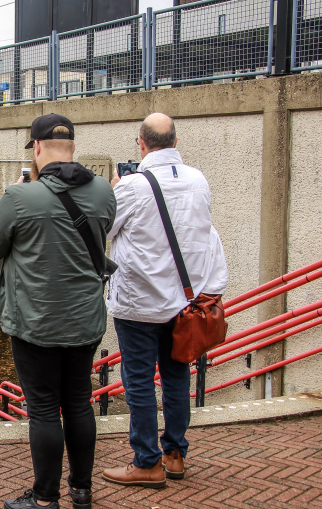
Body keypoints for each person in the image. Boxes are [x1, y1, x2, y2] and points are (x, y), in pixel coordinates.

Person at [0, 113, 117, 509]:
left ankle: (44, 500)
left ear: (37, 149)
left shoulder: (20, 196)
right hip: (84, 321)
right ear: (73, 147)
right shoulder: (104, 192)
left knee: (43, 410)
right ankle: (82, 490)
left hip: (35, 323)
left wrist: (20, 195)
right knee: (78, 400)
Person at [102, 112, 228, 488]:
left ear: (140, 144)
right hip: (184, 303)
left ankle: (146, 462)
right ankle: (174, 455)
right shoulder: (199, 181)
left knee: (138, 380)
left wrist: (115, 189)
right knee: (175, 376)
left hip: (138, 302)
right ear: (175, 142)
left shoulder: (132, 186)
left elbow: (106, 230)